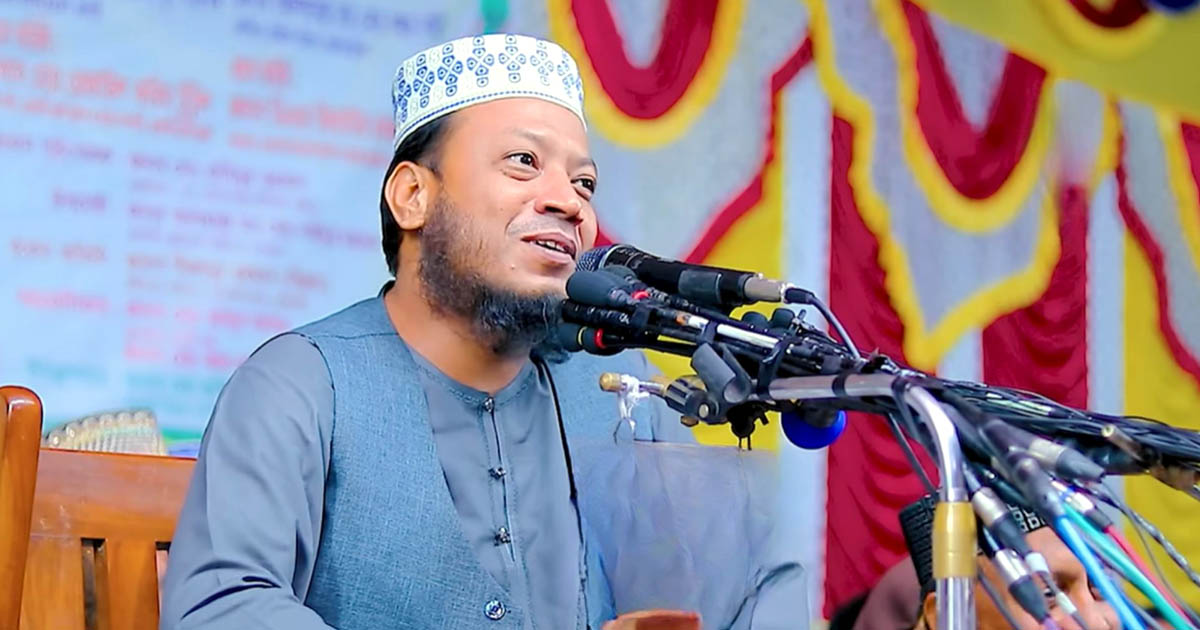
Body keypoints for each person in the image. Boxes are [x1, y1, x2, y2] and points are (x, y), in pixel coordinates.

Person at [160, 34, 700, 630]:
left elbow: (727, 587)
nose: (570, 205)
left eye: (584, 183)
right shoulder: (299, 384)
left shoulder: (624, 391)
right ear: (413, 196)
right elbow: (224, 607)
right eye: (524, 161)